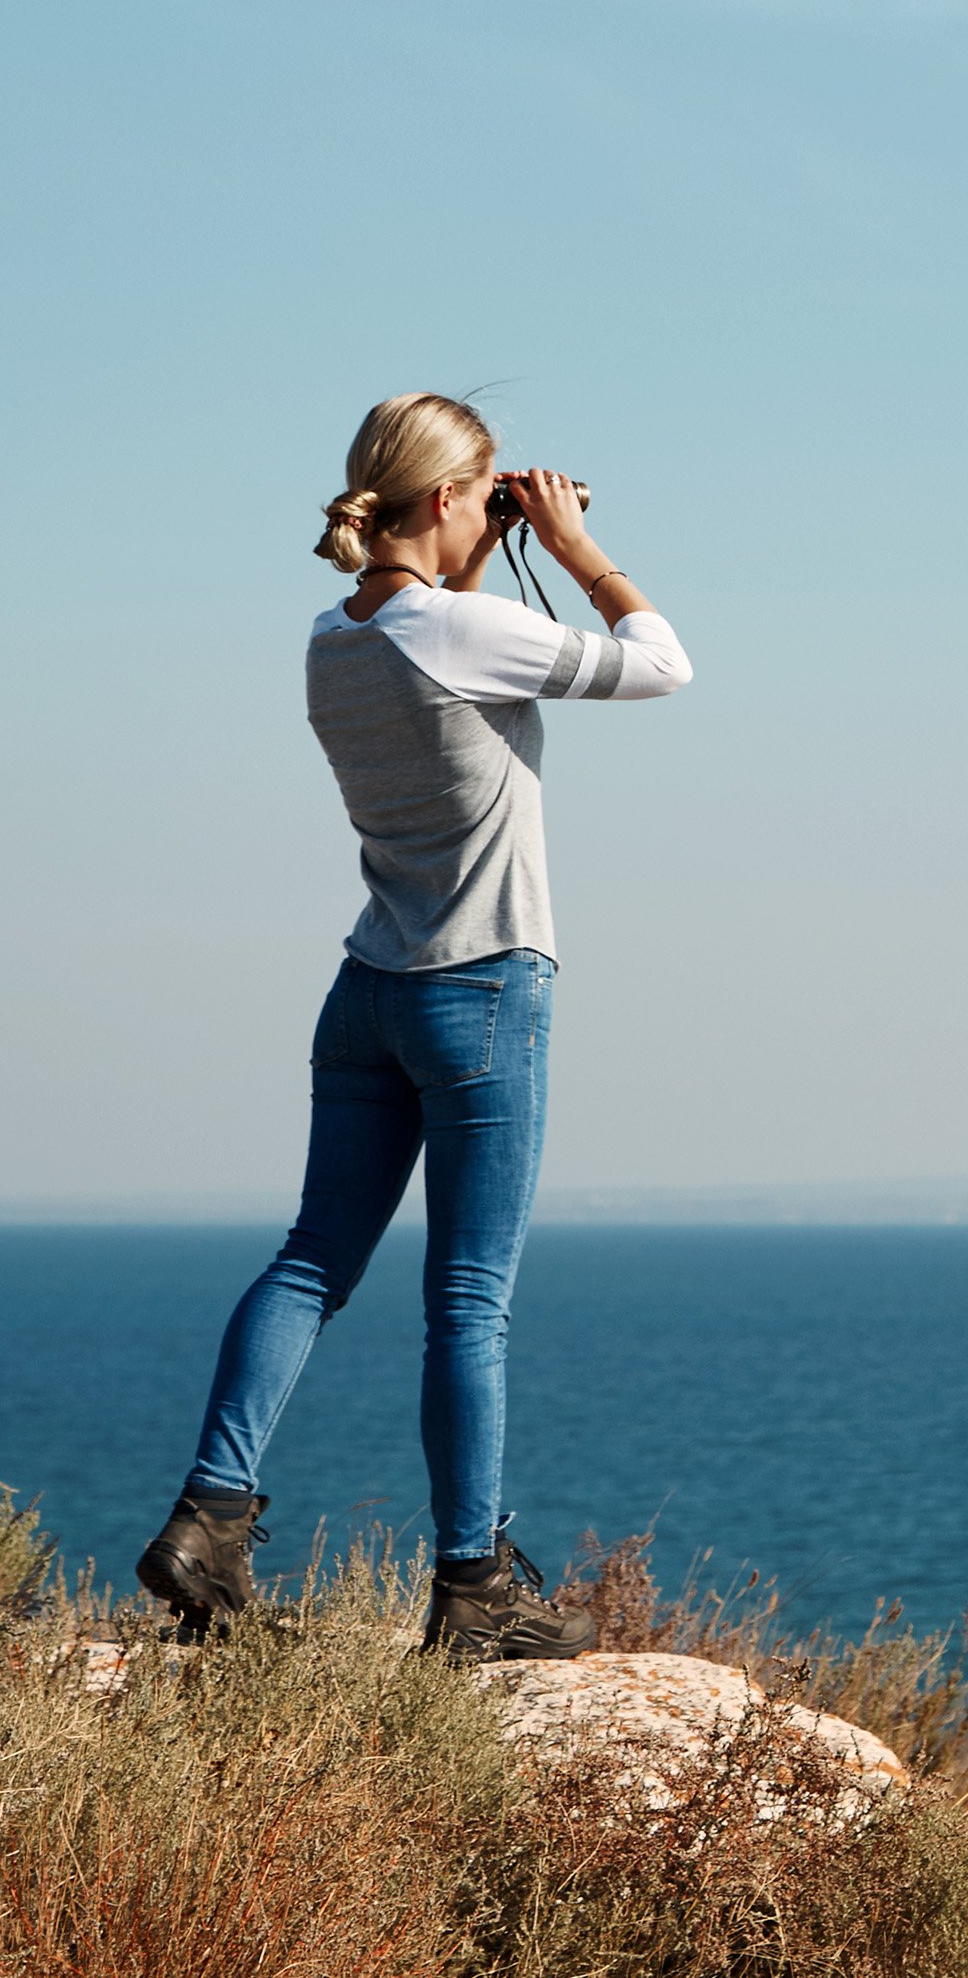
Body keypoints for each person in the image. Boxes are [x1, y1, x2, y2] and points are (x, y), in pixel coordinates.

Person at [136, 393, 692, 1661]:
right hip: (482, 988)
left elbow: (431, 632)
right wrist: (570, 551)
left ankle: (207, 1517)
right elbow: (663, 663)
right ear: (450, 499)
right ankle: (470, 1592)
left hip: (368, 988)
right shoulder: (470, 626)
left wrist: (483, 551)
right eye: (484, 493)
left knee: (309, 1261)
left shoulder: (330, 641)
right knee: (469, 1301)